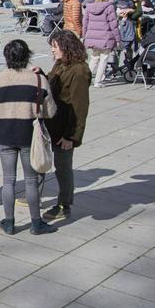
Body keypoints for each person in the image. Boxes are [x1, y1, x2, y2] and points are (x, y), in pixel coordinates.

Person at [0, 39, 58, 236]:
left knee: (8, 180)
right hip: (29, 135)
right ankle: (36, 222)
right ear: (27, 57)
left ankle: (9, 222)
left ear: (7, 58)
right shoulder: (38, 80)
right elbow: (50, 111)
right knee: (31, 180)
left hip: (5, 133)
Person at [43, 30, 91, 221]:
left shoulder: (79, 71)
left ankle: (64, 204)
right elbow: (51, 82)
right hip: (51, 123)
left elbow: (80, 107)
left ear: (67, 47)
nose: (53, 51)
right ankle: (35, 194)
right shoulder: (61, 64)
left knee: (63, 168)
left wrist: (72, 136)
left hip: (65, 128)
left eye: (55, 47)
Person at [82, 0, 120, 88]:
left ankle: (86, 80)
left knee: (94, 58)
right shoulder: (109, 7)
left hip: (92, 36)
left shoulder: (89, 7)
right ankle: (97, 82)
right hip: (105, 37)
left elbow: (85, 23)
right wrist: (118, 39)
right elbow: (114, 25)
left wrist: (84, 36)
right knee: (103, 59)